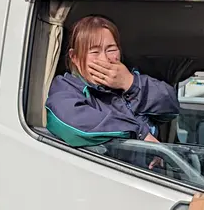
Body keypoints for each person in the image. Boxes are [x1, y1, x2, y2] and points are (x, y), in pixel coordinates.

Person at [45, 15, 179, 152]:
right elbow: (74, 122)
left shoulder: (130, 80)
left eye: (111, 50)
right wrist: (139, 132)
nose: (105, 59)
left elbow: (170, 107)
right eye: (94, 52)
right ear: (74, 57)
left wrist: (130, 83)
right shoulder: (65, 88)